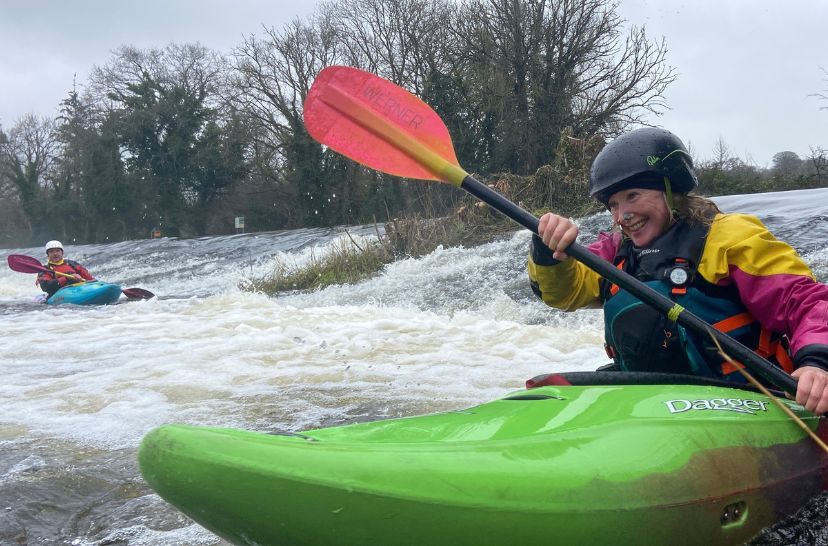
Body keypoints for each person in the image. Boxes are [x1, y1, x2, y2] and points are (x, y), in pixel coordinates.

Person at [528, 127, 828, 414]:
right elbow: (563, 295)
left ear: (671, 190)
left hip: (746, 404)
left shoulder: (728, 237)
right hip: (653, 404)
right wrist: (549, 253)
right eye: (614, 205)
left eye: (633, 196)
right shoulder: (614, 250)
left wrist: (817, 362)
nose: (623, 216)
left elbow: (805, 301)